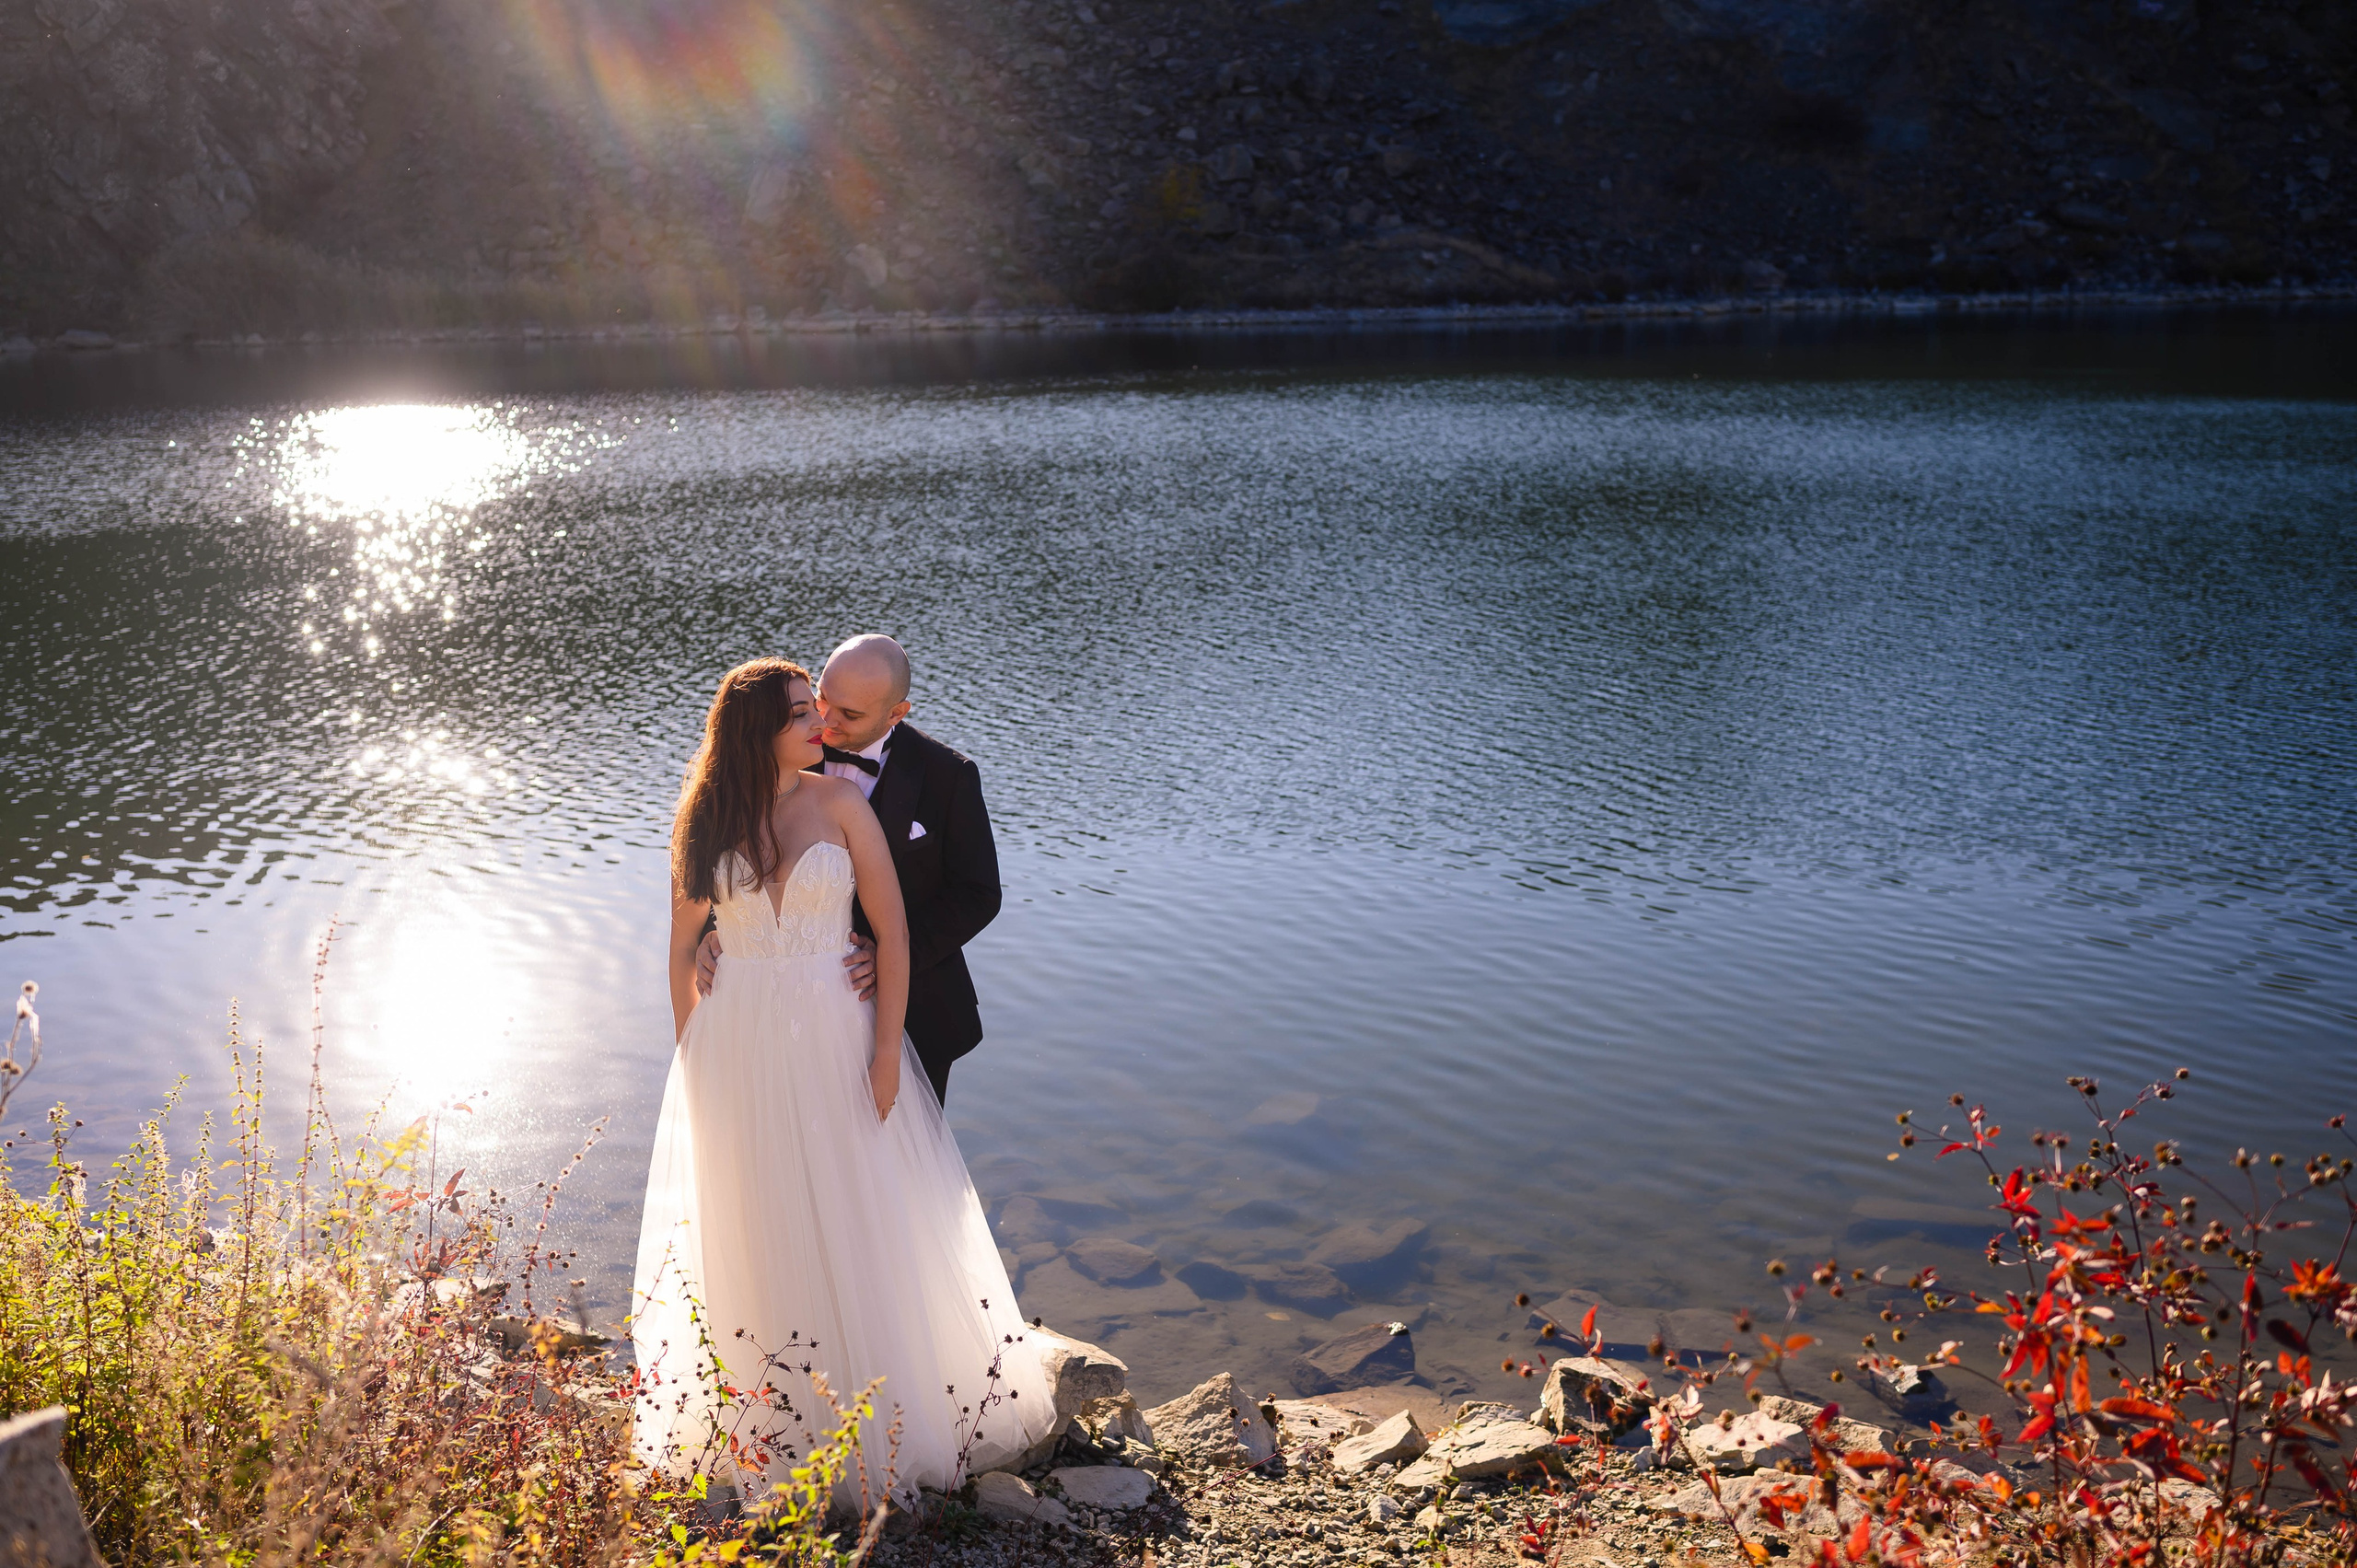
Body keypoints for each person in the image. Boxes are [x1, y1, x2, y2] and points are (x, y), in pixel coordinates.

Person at [630, 657, 1055, 1500]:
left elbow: (892, 936)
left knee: (858, 1207)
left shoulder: (842, 804)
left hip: (835, 1029)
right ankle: (762, 1417)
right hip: (737, 1039)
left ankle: (877, 1410)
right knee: (754, 1212)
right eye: (799, 714)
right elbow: (681, 946)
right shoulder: (706, 817)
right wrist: (693, 1059)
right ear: (757, 732)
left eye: (816, 710)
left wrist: (887, 1050)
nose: (817, 724)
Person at [697, 633, 1002, 1106]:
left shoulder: (949, 777)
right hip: (779, 1005)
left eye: (850, 715)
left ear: (895, 714)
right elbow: (732, 859)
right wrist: (718, 935)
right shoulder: (775, 753)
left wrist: (888, 956)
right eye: (822, 699)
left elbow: (979, 893)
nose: (826, 721)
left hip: (916, 1009)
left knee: (891, 1165)